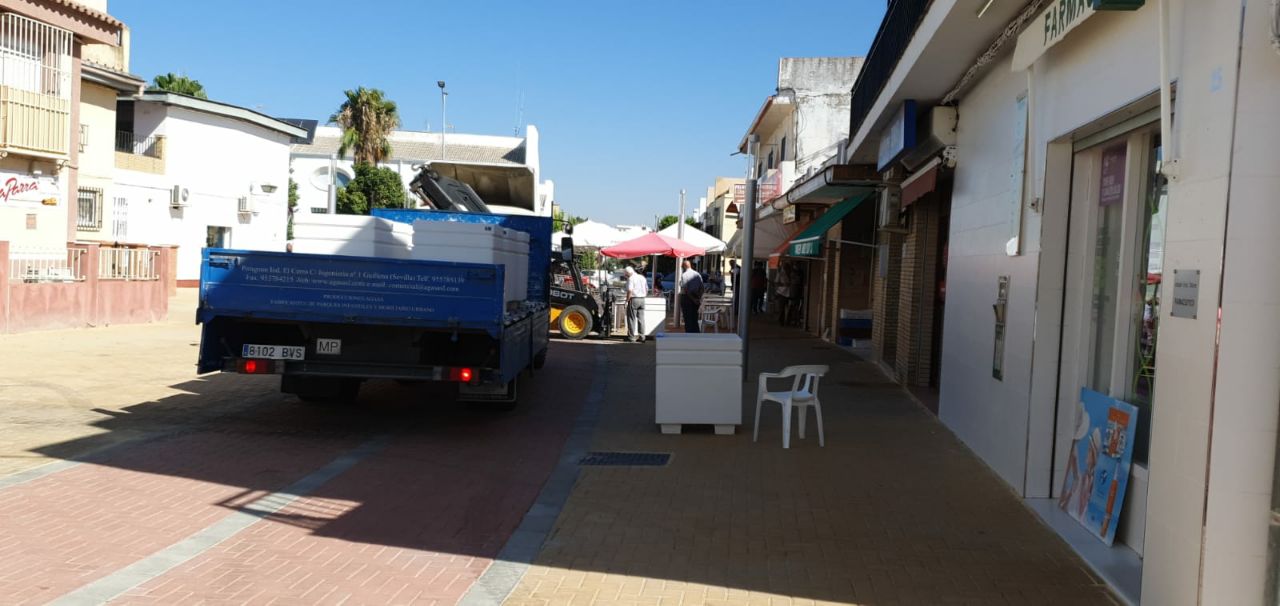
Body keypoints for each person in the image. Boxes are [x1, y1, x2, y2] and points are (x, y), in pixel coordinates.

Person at [678, 260, 704, 333]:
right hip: (696, 297)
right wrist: (698, 298)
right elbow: (702, 288)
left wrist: (693, 299)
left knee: (688, 319)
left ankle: (689, 335)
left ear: (684, 266)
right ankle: (696, 334)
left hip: (687, 298)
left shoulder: (684, 275)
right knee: (694, 318)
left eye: (682, 266)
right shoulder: (697, 274)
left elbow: (686, 290)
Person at [624, 266, 647, 343]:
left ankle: (631, 337)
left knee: (631, 319)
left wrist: (627, 301)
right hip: (642, 299)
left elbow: (630, 291)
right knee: (641, 319)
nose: (625, 276)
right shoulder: (642, 277)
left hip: (634, 299)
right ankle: (642, 337)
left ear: (628, 273)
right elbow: (646, 289)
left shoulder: (631, 278)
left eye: (626, 274)